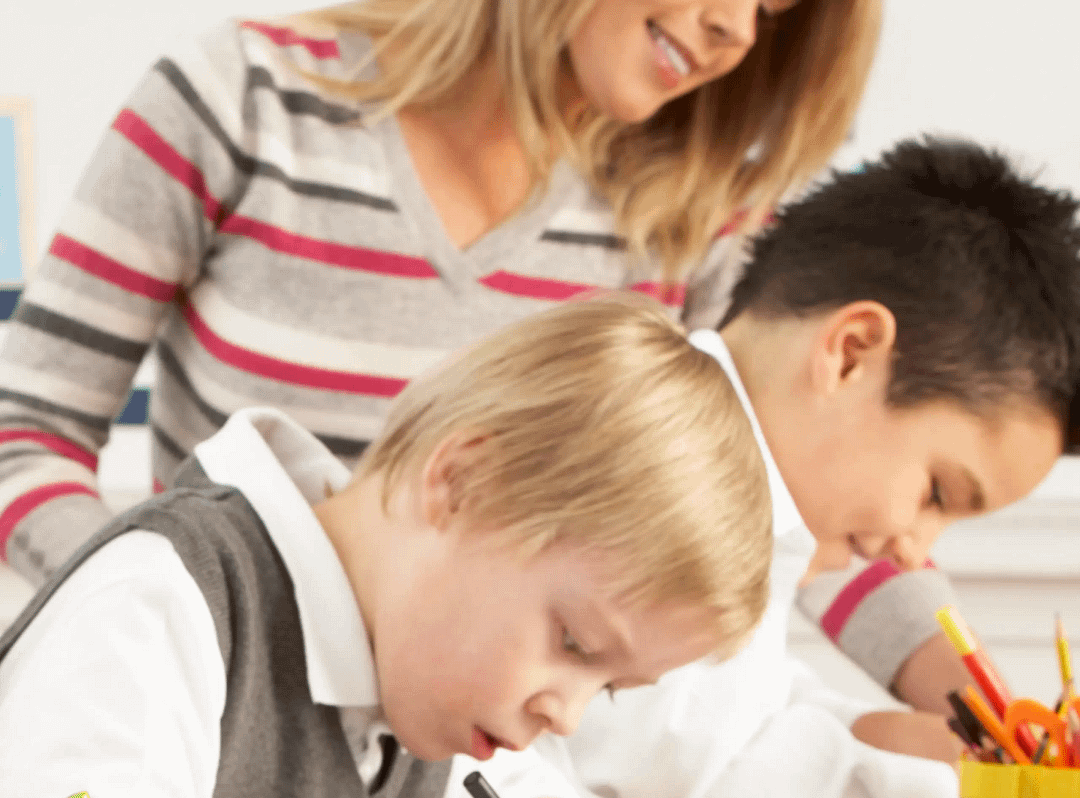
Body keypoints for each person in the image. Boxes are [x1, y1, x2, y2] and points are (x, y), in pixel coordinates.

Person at [0, 2, 961, 706]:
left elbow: (791, 512)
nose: (740, 32)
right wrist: (165, 620)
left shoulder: (698, 226)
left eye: (772, 8)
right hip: (221, 723)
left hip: (482, 766)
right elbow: (24, 428)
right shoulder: (237, 104)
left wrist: (981, 711)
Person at [0, 294, 771, 798]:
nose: (567, 715)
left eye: (606, 686)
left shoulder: (412, 666)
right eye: (572, 642)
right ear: (461, 483)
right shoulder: (170, 590)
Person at [538, 138, 1080, 798]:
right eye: (936, 495)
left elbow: (738, 707)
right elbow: (703, 788)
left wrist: (890, 736)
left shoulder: (747, 495)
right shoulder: (654, 469)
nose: (916, 551)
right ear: (850, 354)